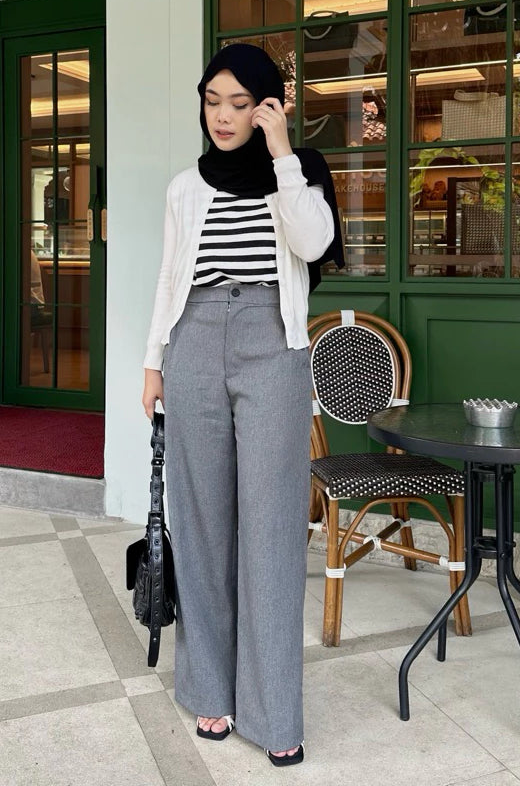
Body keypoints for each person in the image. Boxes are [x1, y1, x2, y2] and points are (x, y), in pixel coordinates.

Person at [142, 43, 343, 767]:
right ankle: (211, 694)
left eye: (238, 103)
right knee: (200, 522)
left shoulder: (298, 174)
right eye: (212, 102)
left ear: (265, 104)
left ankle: (274, 711)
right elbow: (170, 277)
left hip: (272, 344)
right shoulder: (184, 186)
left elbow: (313, 240)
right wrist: (151, 363)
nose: (222, 117)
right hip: (192, 338)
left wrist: (283, 149)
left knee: (270, 525)